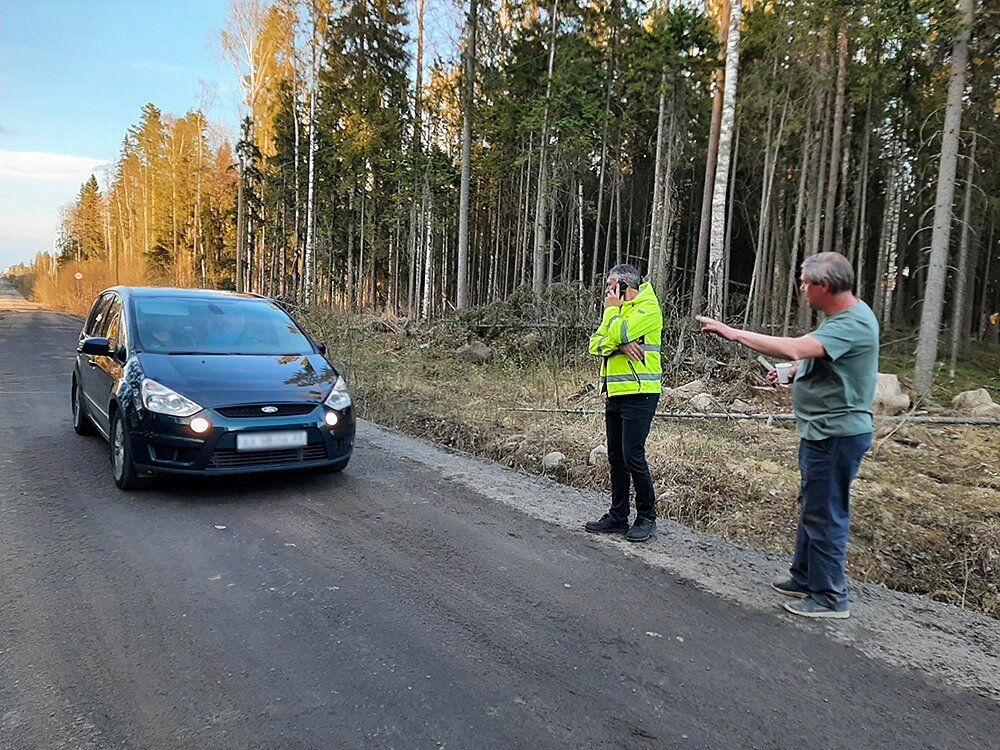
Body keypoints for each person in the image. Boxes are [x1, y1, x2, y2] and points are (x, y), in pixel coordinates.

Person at [697, 251, 878, 619]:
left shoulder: (852, 322)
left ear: (824, 286)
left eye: (805, 283)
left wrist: (733, 333)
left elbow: (797, 345)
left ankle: (829, 596)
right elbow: (823, 358)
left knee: (825, 511)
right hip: (822, 431)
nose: (801, 289)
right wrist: (798, 371)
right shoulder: (839, 318)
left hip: (836, 434)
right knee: (813, 504)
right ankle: (806, 576)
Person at [584, 264, 664, 543]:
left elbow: (615, 331)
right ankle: (619, 516)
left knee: (633, 456)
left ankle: (646, 518)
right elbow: (595, 343)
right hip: (615, 392)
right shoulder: (618, 311)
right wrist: (619, 344)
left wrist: (612, 318)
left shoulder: (648, 308)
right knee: (616, 457)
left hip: (641, 394)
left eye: (609, 285)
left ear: (622, 286)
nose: (606, 291)